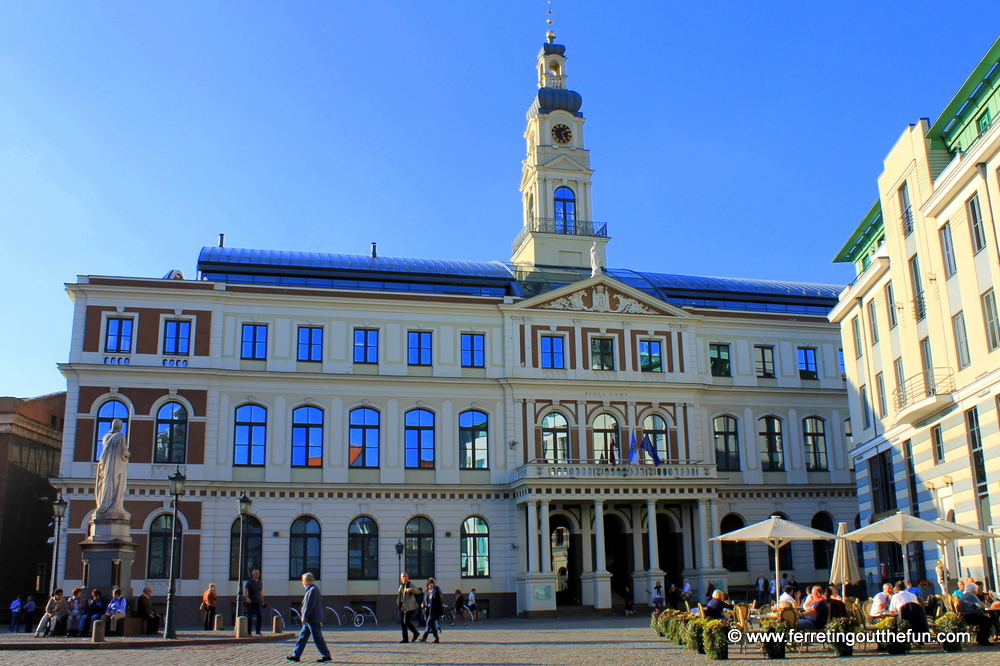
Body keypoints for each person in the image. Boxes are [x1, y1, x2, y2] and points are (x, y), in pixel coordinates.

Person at [285, 573, 331, 663]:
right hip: (309, 619)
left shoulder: (313, 590)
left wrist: (304, 617)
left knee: (317, 637)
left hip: (312, 618)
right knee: (302, 637)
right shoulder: (310, 589)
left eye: (302, 581)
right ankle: (296, 655)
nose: (302, 583)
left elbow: (309, 605)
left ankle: (326, 655)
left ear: (307, 581)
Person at [397, 573, 420, 643]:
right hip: (402, 606)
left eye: (406, 576)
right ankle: (405, 639)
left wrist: (410, 590)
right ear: (400, 578)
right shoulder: (401, 586)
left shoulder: (410, 584)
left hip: (409, 606)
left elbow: (418, 591)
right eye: (403, 576)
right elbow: (400, 596)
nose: (404, 577)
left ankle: (416, 632)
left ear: (408, 577)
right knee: (403, 623)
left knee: (406, 621)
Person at [420, 578, 443, 643]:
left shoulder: (436, 592)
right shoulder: (426, 592)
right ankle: (436, 638)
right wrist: (423, 604)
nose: (430, 585)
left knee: (428, 623)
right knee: (432, 625)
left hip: (433, 610)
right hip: (427, 609)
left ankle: (424, 637)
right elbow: (424, 600)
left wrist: (441, 612)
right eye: (429, 584)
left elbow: (439, 602)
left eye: (431, 583)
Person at [244, 569, 264, 636]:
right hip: (251, 601)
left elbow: (260, 592)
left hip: (258, 601)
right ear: (253, 574)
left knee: (260, 615)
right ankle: (249, 631)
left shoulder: (260, 582)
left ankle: (258, 631)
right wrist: (247, 598)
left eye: (258, 573)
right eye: (256, 573)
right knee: (250, 616)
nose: (257, 574)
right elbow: (245, 591)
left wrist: (262, 601)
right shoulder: (249, 582)